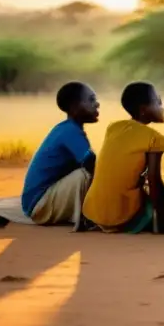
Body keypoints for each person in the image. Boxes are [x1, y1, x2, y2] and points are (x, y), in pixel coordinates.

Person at [82, 82, 164, 233]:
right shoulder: (155, 139)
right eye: (158, 102)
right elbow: (154, 180)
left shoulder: (113, 128)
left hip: (93, 211)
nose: (163, 107)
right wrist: (163, 219)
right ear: (143, 110)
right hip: (122, 215)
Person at [21, 82, 100, 228]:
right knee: (85, 174)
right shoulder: (70, 131)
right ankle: (90, 216)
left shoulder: (69, 129)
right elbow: (92, 164)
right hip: (39, 206)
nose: (97, 104)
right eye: (91, 100)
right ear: (74, 107)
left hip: (40, 202)